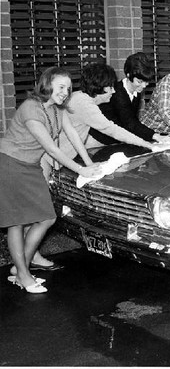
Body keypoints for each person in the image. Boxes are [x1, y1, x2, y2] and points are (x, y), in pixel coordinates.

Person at [0, 67, 101, 293]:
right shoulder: (31, 109)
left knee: (46, 218)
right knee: (16, 222)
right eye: (61, 87)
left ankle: (20, 269)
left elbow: (73, 134)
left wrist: (88, 163)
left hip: (30, 165)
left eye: (68, 88)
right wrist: (80, 169)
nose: (65, 92)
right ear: (47, 85)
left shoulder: (57, 109)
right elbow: (52, 149)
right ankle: (23, 275)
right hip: (10, 164)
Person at [40, 62, 170, 179]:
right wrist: (149, 145)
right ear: (100, 86)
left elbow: (74, 136)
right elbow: (112, 130)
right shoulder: (85, 104)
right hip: (44, 160)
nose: (113, 91)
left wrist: (89, 163)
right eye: (110, 87)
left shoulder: (79, 97)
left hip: (53, 159)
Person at [88, 52, 167, 146]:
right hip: (97, 141)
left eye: (146, 82)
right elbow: (130, 123)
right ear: (129, 75)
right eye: (140, 81)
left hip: (115, 140)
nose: (144, 86)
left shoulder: (136, 91)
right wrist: (156, 136)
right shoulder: (117, 92)